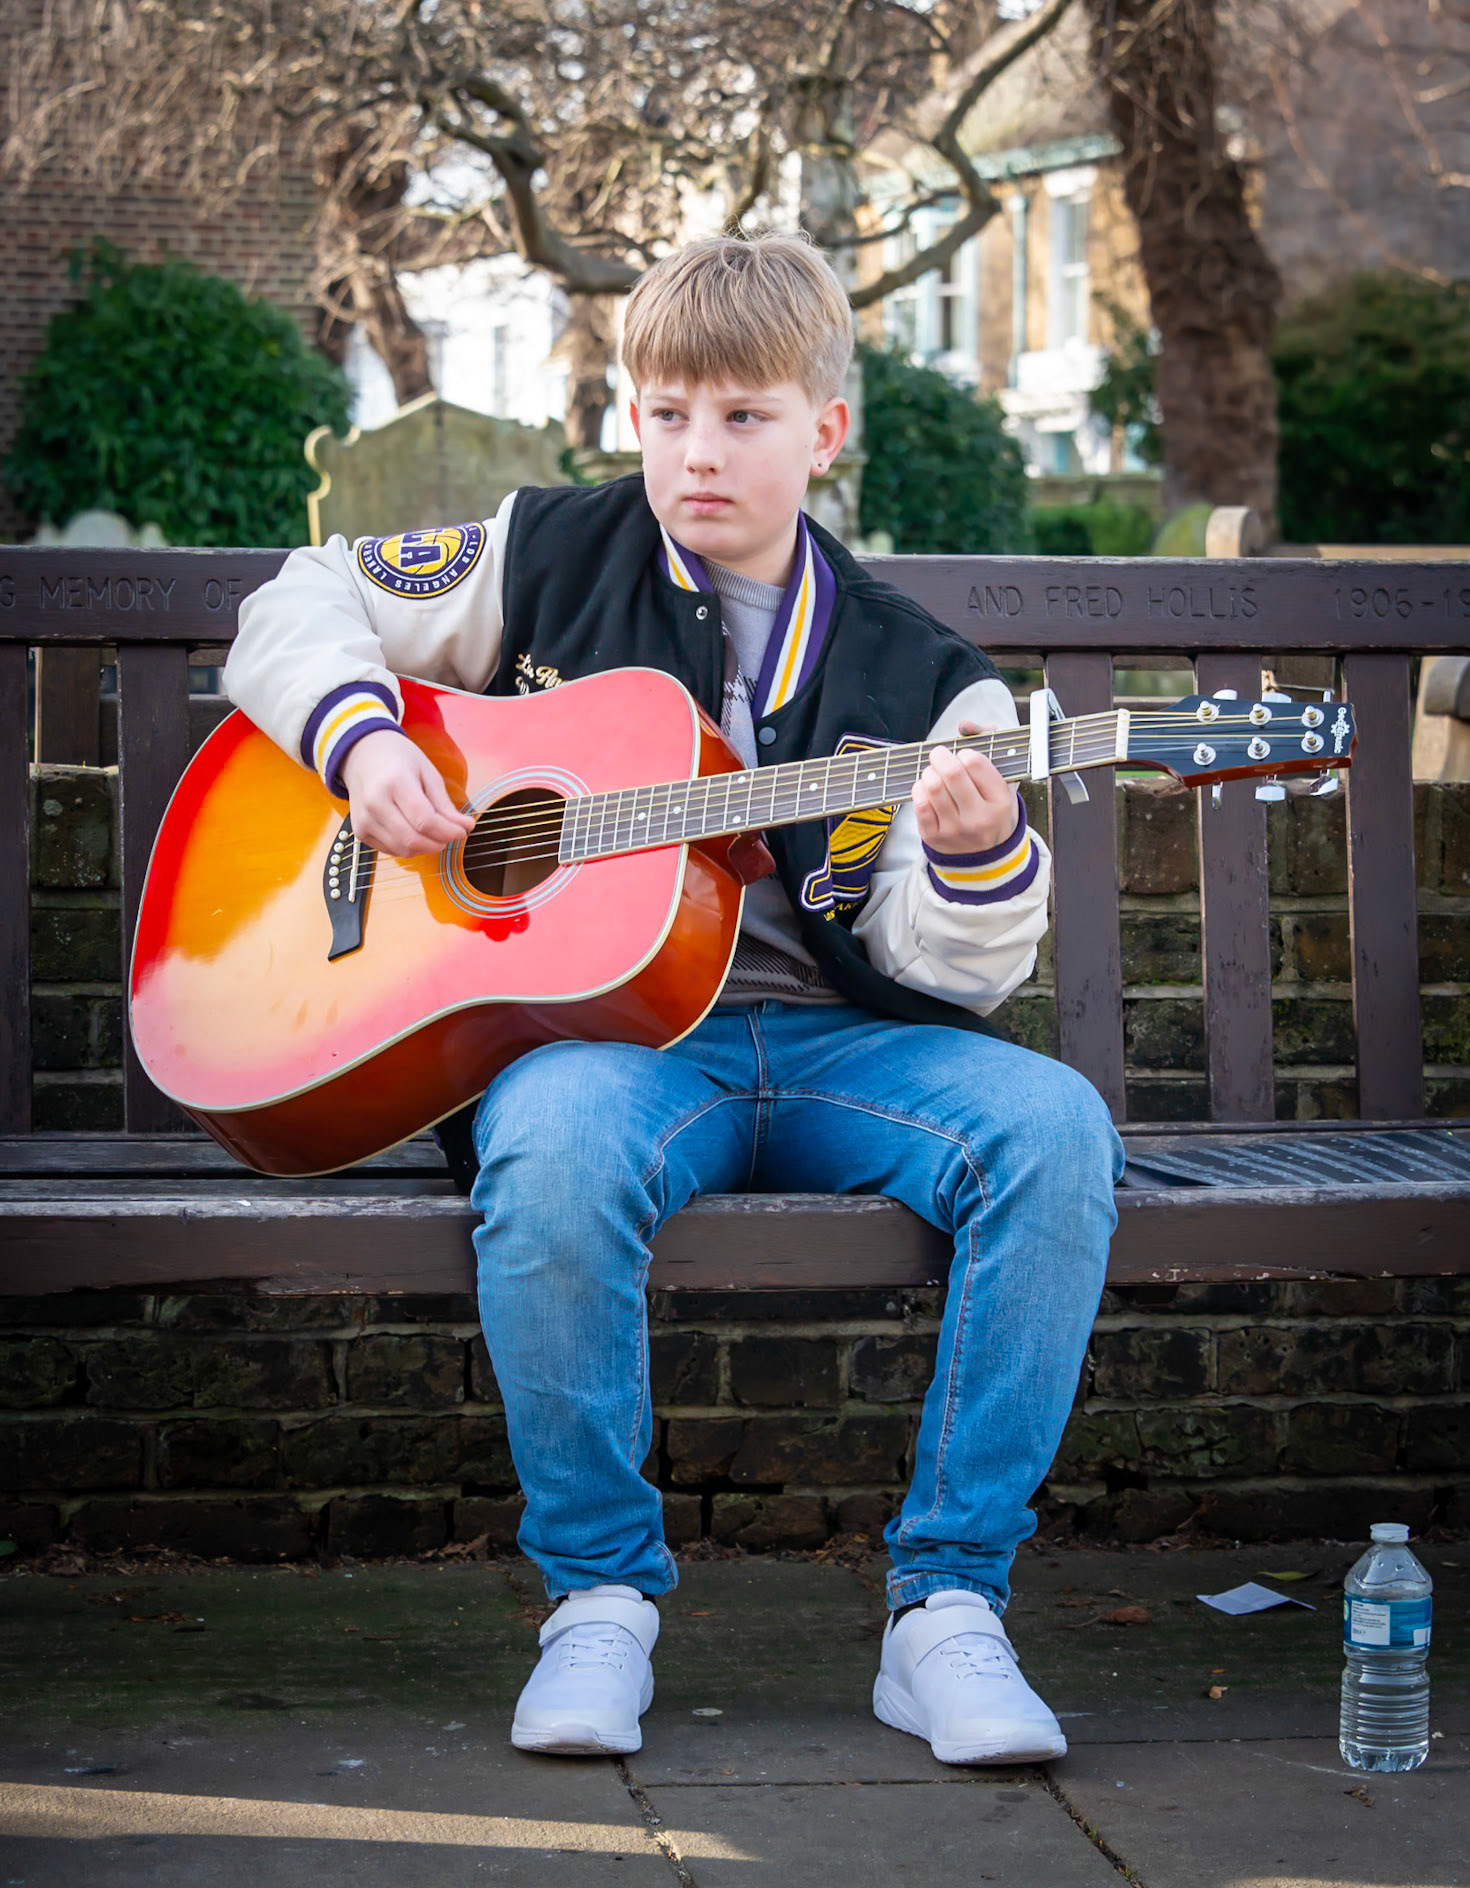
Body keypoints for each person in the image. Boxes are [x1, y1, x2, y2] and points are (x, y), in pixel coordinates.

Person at [223, 232, 1122, 1767]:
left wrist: (976, 861)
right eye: (665, 414)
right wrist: (365, 744)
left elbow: (954, 967)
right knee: (552, 1149)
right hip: (615, 1048)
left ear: (824, 430)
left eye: (744, 418)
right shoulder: (545, 554)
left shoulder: (935, 687)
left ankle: (946, 1609)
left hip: (850, 1050)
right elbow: (299, 597)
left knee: (1053, 1130)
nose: (696, 452)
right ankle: (597, 1604)